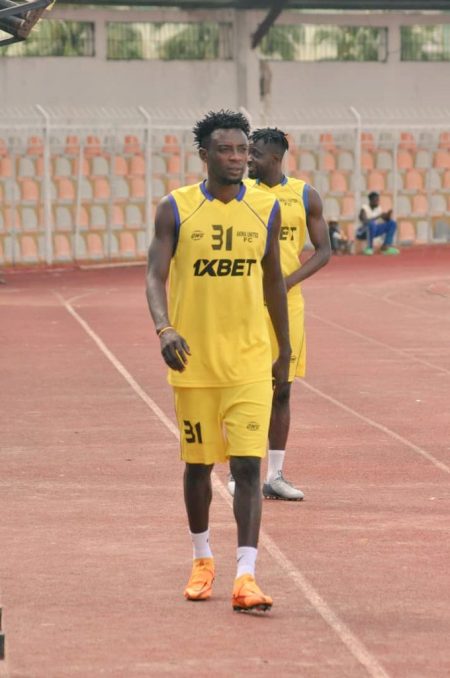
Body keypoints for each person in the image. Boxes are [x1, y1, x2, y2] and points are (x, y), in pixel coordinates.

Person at [145, 110, 290, 612]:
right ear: (204, 155)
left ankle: (246, 575)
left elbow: (273, 281)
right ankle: (202, 559)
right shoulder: (175, 208)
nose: (237, 158)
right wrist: (164, 328)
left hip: (249, 361)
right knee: (198, 466)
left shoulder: (266, 207)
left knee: (248, 467)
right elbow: (154, 274)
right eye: (225, 150)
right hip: (194, 365)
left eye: (242, 150)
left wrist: (284, 349)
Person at [228, 127, 331, 501]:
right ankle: (240, 473)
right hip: (246, 302)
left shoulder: (304, 195)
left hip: (287, 306)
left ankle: (274, 475)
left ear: (275, 157)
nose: (247, 159)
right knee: (244, 386)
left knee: (282, 388)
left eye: (254, 153)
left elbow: (323, 250)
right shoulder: (239, 192)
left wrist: (287, 282)